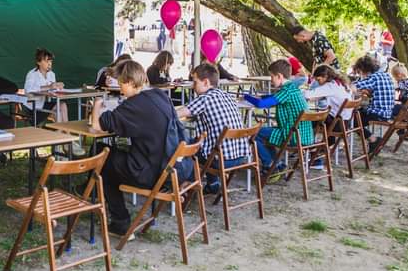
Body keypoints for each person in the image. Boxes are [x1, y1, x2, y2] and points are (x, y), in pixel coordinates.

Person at [91, 60, 185, 236]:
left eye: (121, 84)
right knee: (112, 154)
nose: (120, 89)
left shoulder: (134, 105)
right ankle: (91, 191)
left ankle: (120, 222)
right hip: (171, 168)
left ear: (129, 82)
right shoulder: (160, 95)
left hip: (151, 172)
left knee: (101, 156)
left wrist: (96, 105)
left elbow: (97, 126)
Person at [176, 63, 250, 194]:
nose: (192, 86)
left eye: (195, 82)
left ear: (205, 82)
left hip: (221, 159)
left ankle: (187, 183)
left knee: (187, 147)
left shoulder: (205, 99)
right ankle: (213, 183)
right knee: (206, 143)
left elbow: (178, 114)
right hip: (240, 157)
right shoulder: (227, 95)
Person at [243, 60, 314, 175]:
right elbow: (274, 97)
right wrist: (261, 96)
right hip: (304, 136)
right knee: (264, 133)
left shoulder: (286, 91)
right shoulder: (293, 88)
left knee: (254, 133)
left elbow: (260, 104)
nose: (271, 80)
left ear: (279, 76)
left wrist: (246, 96)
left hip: (292, 137)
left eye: (272, 77)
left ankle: (269, 164)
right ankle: (277, 164)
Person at [351, 55, 395, 151]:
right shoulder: (385, 75)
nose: (360, 74)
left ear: (363, 69)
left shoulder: (373, 78)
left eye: (359, 72)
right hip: (387, 112)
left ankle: (373, 139)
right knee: (356, 115)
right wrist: (369, 93)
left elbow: (353, 86)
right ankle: (372, 140)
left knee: (351, 120)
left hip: (378, 113)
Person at [304, 65, 352, 146]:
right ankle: (327, 143)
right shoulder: (341, 83)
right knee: (325, 114)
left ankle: (307, 144)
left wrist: (299, 92)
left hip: (337, 125)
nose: (318, 83)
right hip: (346, 122)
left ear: (325, 76)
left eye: (318, 80)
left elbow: (307, 95)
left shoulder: (330, 86)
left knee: (308, 120)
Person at [23, 48, 69, 124]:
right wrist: (49, 87)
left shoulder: (52, 74)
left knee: (62, 105)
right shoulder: (32, 74)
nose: (49, 64)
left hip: (43, 104)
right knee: (58, 111)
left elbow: (52, 91)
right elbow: (28, 90)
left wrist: (58, 87)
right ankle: (62, 130)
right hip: (32, 108)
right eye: (46, 61)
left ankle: (66, 130)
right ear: (38, 62)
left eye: (51, 61)